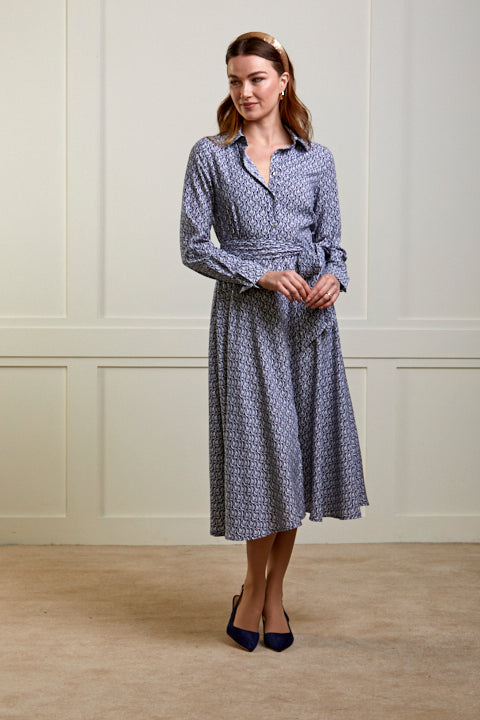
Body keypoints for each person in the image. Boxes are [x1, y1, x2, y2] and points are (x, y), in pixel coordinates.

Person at [180, 31, 368, 652]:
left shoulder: (318, 159)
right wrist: (256, 273)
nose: (245, 91)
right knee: (264, 460)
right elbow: (193, 246)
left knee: (299, 459)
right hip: (247, 322)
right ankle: (252, 587)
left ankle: (273, 592)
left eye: (256, 79)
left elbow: (334, 246)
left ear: (282, 81)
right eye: (235, 81)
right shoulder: (210, 156)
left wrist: (334, 278)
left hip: (308, 324)